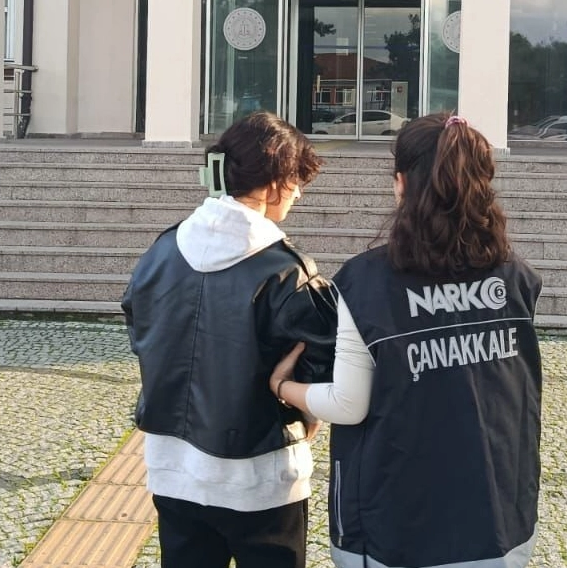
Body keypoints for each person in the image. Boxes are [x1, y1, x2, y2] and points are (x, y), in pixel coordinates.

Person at [270, 113, 544, 568]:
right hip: (499, 518)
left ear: (401, 184)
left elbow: (348, 403)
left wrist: (283, 387)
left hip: (394, 524)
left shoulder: (366, 282)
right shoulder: (517, 277)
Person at [122, 112, 337, 568]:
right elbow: (323, 367)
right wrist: (304, 412)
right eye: (296, 182)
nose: (298, 194)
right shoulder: (287, 271)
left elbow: (140, 329)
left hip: (173, 466)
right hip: (261, 473)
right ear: (276, 182)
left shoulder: (162, 251)